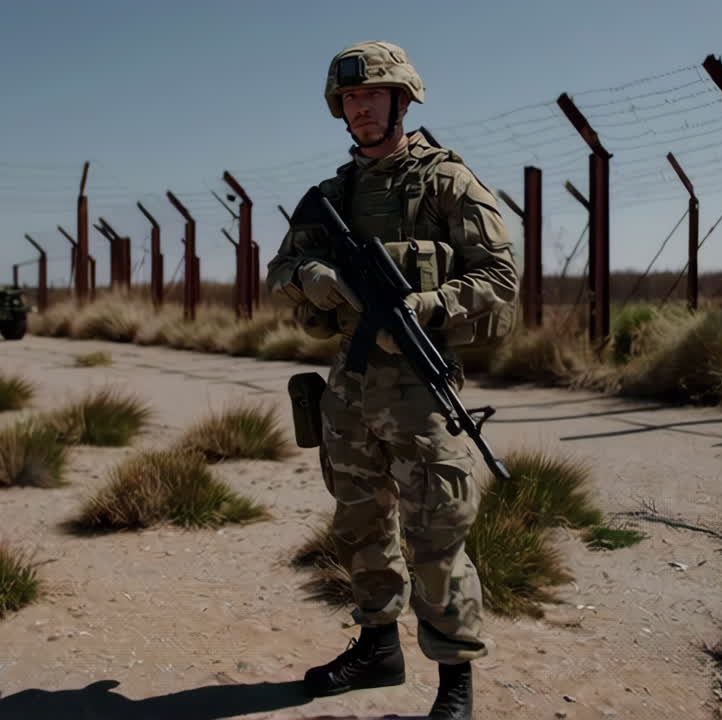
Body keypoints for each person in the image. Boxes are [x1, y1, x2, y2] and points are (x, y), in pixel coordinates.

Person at [265, 41, 519, 720]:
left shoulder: (447, 183)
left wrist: (425, 307)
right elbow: (278, 272)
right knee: (360, 527)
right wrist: (312, 277)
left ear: (402, 101)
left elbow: (499, 277)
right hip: (348, 391)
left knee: (437, 538)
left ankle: (455, 683)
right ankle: (378, 646)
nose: (361, 107)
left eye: (373, 95)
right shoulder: (330, 196)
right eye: (350, 99)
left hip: (419, 393)